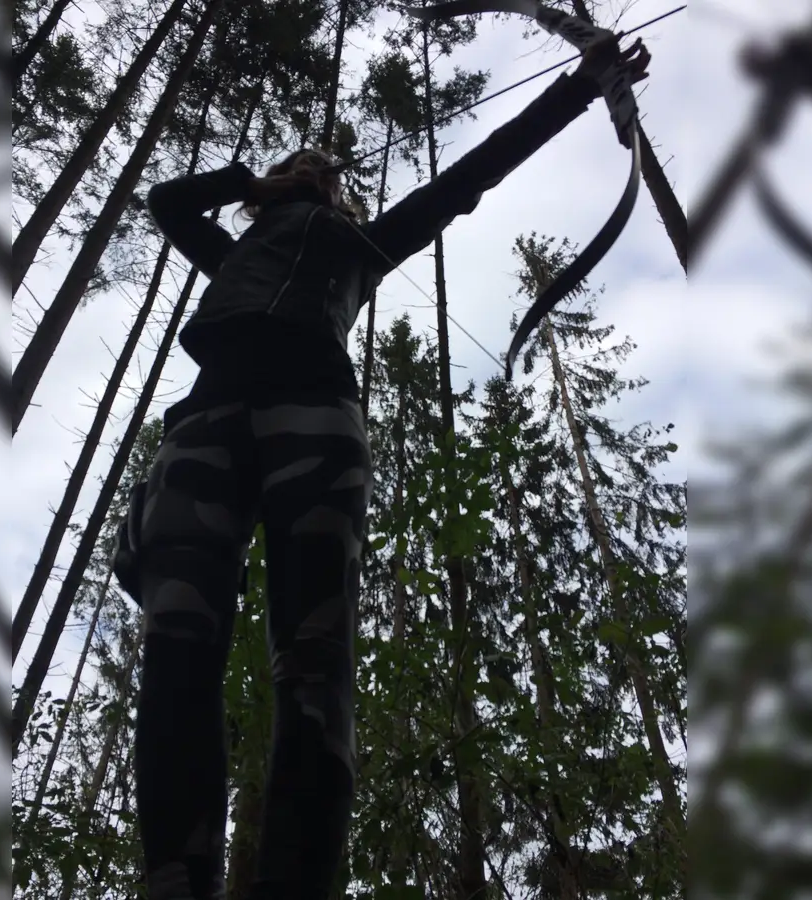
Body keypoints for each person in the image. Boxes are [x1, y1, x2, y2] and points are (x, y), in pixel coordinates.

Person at [113, 32, 649, 900]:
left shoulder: (359, 251)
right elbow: (168, 203)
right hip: (205, 423)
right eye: (309, 171)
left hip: (316, 421)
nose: (321, 177)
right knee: (177, 633)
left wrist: (583, 87)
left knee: (315, 656)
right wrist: (251, 183)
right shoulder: (234, 251)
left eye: (329, 177)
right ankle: (175, 878)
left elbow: (472, 174)